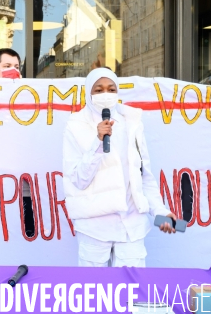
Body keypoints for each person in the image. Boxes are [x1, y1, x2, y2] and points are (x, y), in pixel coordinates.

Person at [62, 67, 176, 267]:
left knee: (131, 293)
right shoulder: (76, 125)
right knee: (95, 293)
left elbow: (144, 176)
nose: (105, 94)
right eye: (98, 90)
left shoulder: (131, 122)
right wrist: (98, 142)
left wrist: (160, 211)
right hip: (94, 227)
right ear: (89, 93)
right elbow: (79, 179)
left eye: (111, 89)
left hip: (131, 226)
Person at [0, 48, 35, 237]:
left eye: (16, 67)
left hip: (24, 187)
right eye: (7, 66)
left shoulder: (30, 98)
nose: (13, 71)